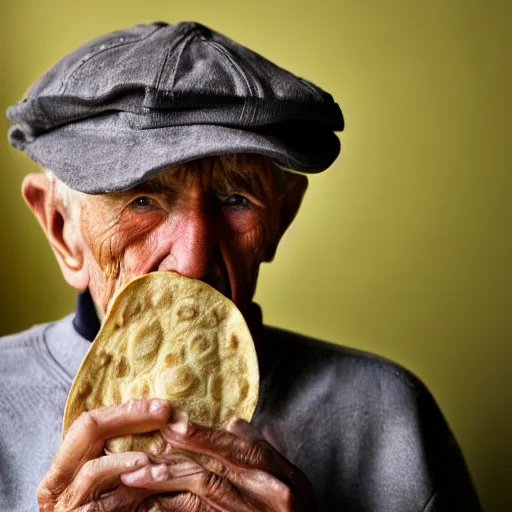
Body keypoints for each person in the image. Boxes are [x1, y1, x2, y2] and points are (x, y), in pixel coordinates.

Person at [1, 21, 483, 512]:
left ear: (281, 216)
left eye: (236, 198)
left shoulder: (393, 419)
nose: (191, 262)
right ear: (62, 229)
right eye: (142, 200)